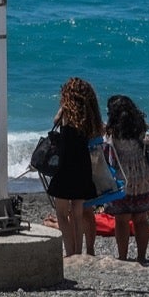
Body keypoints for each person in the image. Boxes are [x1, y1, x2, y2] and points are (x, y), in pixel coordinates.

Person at [102, 94, 149, 263]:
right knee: (141, 219)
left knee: (121, 220)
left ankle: (122, 257)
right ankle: (141, 256)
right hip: (144, 179)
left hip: (122, 181)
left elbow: (107, 157)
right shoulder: (144, 129)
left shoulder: (111, 133)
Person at [44, 77, 101, 258]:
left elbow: (55, 120)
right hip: (82, 163)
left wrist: (63, 105)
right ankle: (78, 251)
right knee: (77, 211)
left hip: (65, 163)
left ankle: (69, 252)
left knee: (61, 212)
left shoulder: (66, 111)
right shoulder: (90, 114)